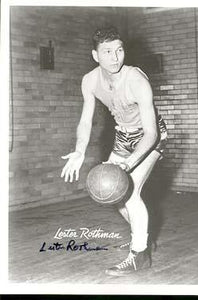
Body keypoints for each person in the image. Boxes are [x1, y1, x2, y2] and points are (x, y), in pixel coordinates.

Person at [61, 26, 168, 276]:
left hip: (151, 138)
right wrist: (79, 151)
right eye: (107, 51)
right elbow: (86, 120)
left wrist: (128, 164)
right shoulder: (89, 80)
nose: (115, 57)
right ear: (95, 55)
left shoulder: (136, 80)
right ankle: (141, 238)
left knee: (130, 194)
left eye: (119, 50)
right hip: (123, 136)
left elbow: (151, 133)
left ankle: (139, 254)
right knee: (113, 194)